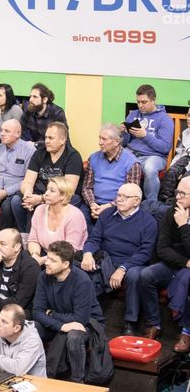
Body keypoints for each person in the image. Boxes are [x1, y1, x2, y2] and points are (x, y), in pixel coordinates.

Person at [80, 184, 156, 335]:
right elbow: (94, 239)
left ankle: (130, 322)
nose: (119, 200)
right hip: (106, 259)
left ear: (136, 201)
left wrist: (123, 268)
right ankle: (86, 317)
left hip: (133, 262)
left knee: (134, 275)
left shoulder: (148, 221)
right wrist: (87, 254)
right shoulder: (107, 214)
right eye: (118, 195)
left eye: (125, 197)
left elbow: (145, 252)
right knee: (83, 269)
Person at [33, 241, 105, 383]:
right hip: (62, 322)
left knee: (74, 336)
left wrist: (52, 314)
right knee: (32, 327)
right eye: (47, 258)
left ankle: (78, 382)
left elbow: (80, 319)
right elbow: (37, 312)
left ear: (65, 264)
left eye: (52, 260)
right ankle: (37, 375)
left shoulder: (82, 281)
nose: (46, 263)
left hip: (88, 324)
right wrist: (61, 326)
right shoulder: (43, 276)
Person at [139, 176, 190, 350]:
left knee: (187, 279)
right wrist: (185, 262)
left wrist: (183, 226)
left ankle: (186, 332)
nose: (178, 197)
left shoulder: (181, 218)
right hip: (177, 263)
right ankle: (154, 324)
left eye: (183, 193)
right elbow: (162, 248)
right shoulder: (171, 211)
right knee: (146, 275)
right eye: (177, 192)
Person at [13, 122, 83, 233]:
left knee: (44, 205)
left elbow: (69, 190)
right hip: (39, 191)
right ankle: (25, 235)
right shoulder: (39, 153)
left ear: (63, 140)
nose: (46, 141)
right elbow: (28, 181)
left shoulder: (73, 157)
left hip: (61, 195)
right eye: (46, 137)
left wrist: (41, 199)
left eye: (51, 138)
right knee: (16, 201)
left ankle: (38, 236)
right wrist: (27, 194)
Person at [81, 124, 142, 233]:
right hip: (93, 205)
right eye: (99, 138)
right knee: (79, 217)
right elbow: (87, 187)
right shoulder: (93, 158)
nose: (100, 142)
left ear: (117, 141)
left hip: (118, 206)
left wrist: (108, 206)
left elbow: (130, 196)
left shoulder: (132, 163)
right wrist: (92, 204)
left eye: (104, 139)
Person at [122, 84, 174, 200]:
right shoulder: (133, 115)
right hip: (131, 153)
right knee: (114, 158)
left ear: (153, 100)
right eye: (138, 102)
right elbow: (123, 144)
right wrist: (124, 133)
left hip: (154, 156)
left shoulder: (165, 119)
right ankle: (118, 199)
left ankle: (151, 203)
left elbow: (165, 148)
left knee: (150, 169)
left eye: (144, 102)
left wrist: (145, 136)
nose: (140, 105)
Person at [0, 119, 35, 229]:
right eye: (1, 130)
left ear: (18, 134)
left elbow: (28, 180)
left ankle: (5, 236)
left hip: (15, 191)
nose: (2, 134)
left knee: (7, 206)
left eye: (7, 131)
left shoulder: (29, 150)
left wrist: (6, 192)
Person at [28, 177, 87, 266]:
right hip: (43, 255)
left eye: (52, 191)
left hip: (68, 260)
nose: (46, 193)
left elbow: (70, 250)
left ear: (63, 196)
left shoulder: (75, 216)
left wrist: (42, 261)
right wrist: (35, 255)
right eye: (47, 189)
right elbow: (33, 239)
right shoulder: (40, 210)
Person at [0, 304, 46, 377]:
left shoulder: (32, 340)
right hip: (4, 380)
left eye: (4, 321)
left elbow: (18, 369)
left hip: (32, 382)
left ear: (16, 328)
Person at [20, 83, 68, 148]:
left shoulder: (57, 113)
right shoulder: (28, 111)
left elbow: (61, 138)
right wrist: (29, 144)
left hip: (54, 149)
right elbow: (22, 133)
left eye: (35, 97)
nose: (30, 99)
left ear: (45, 100)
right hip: (33, 149)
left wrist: (36, 144)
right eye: (30, 96)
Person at [159, 106, 190, 202]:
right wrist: (171, 168)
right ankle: (166, 201)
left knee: (186, 177)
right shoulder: (185, 133)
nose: (189, 119)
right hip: (185, 160)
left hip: (188, 166)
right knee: (171, 172)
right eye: (189, 115)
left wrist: (184, 170)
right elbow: (178, 154)